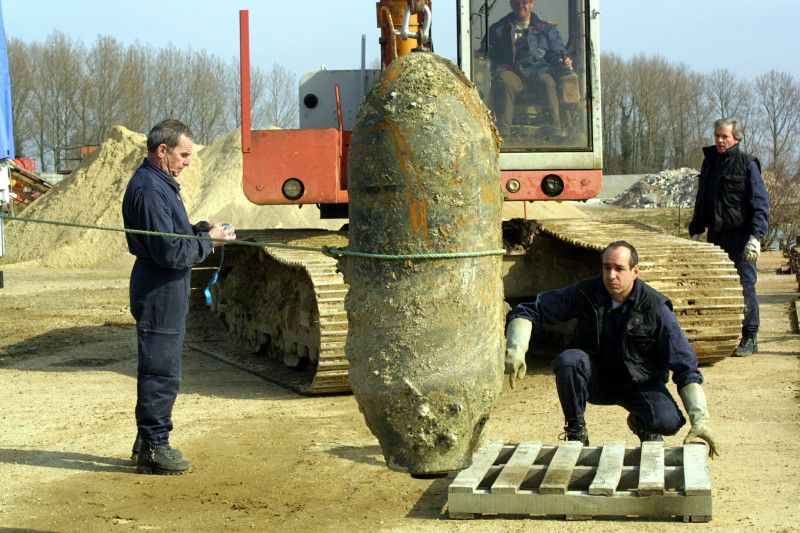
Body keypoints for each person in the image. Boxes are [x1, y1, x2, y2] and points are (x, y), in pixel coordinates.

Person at [504, 241, 719, 458]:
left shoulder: (655, 308)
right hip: (595, 379)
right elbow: (530, 310)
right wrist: (517, 347)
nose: (611, 275)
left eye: (619, 269)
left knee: (668, 422)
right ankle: (576, 431)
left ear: (635, 271)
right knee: (569, 360)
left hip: (637, 383)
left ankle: (642, 423)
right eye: (607, 268)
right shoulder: (587, 292)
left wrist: (700, 420)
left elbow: (685, 366)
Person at [122, 119, 236, 474]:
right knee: (161, 368)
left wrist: (203, 231)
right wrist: (210, 243)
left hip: (162, 283)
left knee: (161, 365)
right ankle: (155, 447)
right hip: (160, 285)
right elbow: (170, 251)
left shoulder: (159, 184)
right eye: (184, 154)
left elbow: (174, 235)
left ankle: (147, 438)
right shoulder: (152, 190)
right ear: (162, 151)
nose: (188, 161)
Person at [689, 118, 769, 357]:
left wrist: (756, 237)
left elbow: (760, 203)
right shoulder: (710, 162)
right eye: (717, 136)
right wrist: (696, 230)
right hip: (716, 236)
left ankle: (750, 335)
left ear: (736, 138)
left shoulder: (747, 164)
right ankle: (723, 334)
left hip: (741, 236)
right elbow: (702, 199)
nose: (720, 141)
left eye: (724, 136)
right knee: (717, 286)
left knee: (745, 286)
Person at [480, 0, 573, 139]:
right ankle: (503, 134)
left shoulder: (546, 29)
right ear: (511, 4)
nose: (521, 6)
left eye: (525, 2)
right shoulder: (498, 29)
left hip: (537, 70)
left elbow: (557, 53)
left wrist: (563, 61)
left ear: (532, 3)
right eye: (517, 2)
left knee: (547, 81)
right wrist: (482, 60)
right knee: (505, 82)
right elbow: (485, 53)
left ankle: (555, 131)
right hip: (510, 70)